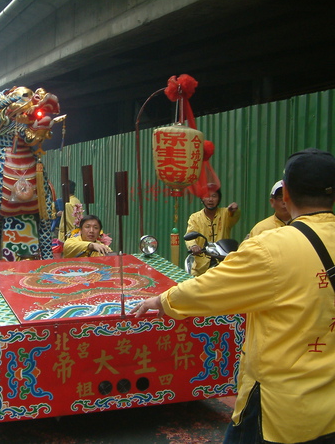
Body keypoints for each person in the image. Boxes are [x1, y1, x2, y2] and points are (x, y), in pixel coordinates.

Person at [133, 148, 335, 443]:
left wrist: (163, 301)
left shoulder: (270, 247)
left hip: (281, 412)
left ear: (287, 194)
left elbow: (210, 288)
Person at [185, 187, 240, 275]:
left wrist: (233, 211)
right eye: (207, 196)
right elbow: (190, 235)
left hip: (223, 262)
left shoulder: (226, 213)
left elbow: (234, 217)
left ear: (219, 199)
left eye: (214, 196)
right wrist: (193, 246)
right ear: (202, 199)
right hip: (201, 266)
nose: (210, 199)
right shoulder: (194, 218)